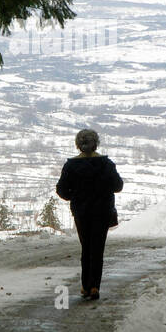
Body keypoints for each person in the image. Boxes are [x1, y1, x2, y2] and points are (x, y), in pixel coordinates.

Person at [55, 128, 123, 301]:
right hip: (102, 211)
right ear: (95, 144)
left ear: (78, 145)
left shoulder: (71, 165)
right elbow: (118, 186)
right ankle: (94, 287)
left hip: (81, 211)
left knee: (86, 247)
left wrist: (75, 197)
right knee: (97, 249)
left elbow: (61, 190)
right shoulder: (106, 164)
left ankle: (85, 286)